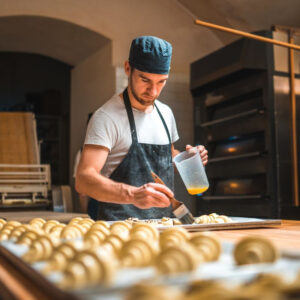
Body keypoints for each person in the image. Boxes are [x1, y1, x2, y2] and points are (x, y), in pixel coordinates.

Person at [76, 36, 208, 220]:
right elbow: (83, 180)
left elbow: (167, 156)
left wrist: (187, 159)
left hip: (162, 226)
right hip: (118, 231)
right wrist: (132, 195)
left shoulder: (165, 113)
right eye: (145, 80)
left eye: (161, 81)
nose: (153, 91)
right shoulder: (106, 117)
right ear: (128, 68)